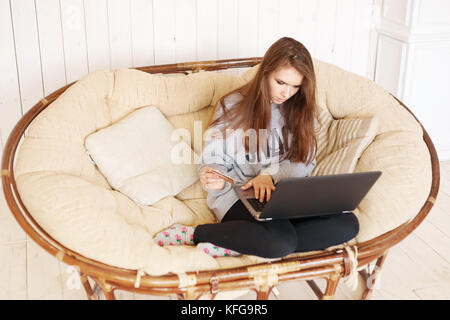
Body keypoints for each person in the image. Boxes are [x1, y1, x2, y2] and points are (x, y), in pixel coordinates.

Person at [154, 37, 359, 258]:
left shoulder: (302, 110)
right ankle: (195, 234)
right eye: (280, 82)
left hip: (283, 194)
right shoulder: (232, 105)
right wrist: (214, 175)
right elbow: (213, 159)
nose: (286, 93)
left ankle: (238, 243)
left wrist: (270, 176)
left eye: (295, 86)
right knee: (281, 241)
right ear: (265, 73)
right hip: (237, 194)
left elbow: (305, 162)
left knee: (347, 223)